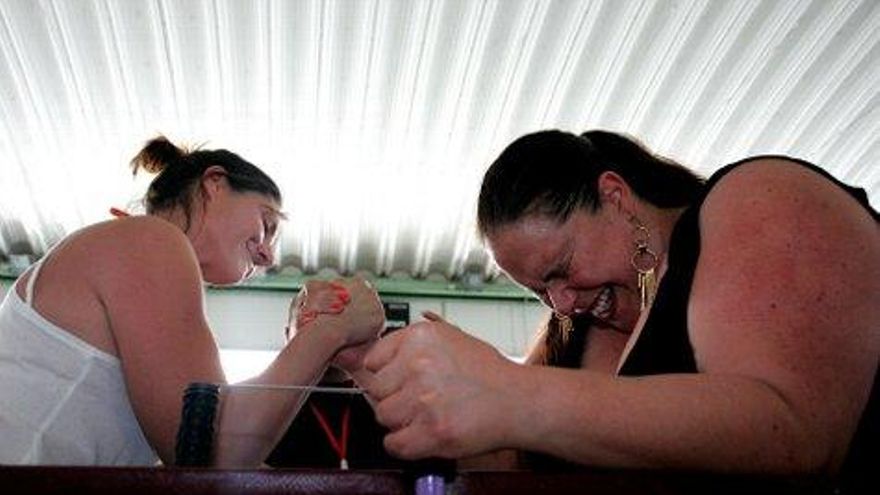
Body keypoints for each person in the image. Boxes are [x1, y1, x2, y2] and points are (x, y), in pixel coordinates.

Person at [359, 129, 879, 487]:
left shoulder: (756, 194)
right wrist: (374, 366)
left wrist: (510, 392)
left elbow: (792, 432)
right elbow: (515, 472)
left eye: (561, 268)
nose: (561, 302)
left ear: (616, 196)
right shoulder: (571, 341)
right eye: (540, 292)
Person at [0, 136, 385, 466]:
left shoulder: (141, 260)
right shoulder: (148, 239)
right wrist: (329, 330)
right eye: (267, 224)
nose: (268, 255)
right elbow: (210, 451)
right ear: (214, 182)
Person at [267, 281, 404, 470]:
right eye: (316, 318)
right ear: (287, 335)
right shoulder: (263, 405)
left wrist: (360, 364)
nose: (331, 331)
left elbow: (431, 460)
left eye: (341, 316)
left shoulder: (388, 400)